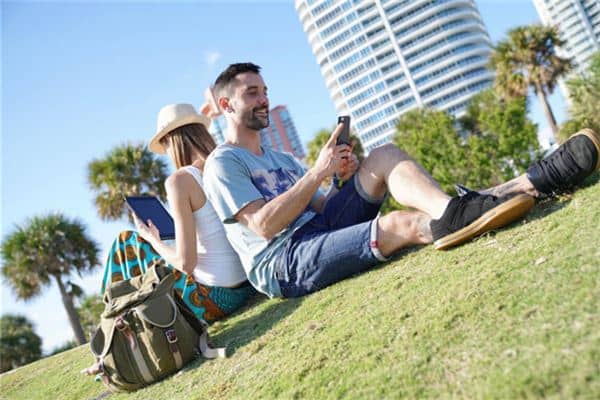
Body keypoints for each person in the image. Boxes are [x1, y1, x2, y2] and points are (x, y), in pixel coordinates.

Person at [202, 62, 599, 299]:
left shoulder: (278, 157)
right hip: (284, 261)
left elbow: (321, 208)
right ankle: (535, 181)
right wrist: (317, 171)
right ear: (226, 105)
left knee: (384, 155)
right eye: (252, 93)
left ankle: (467, 205)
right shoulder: (223, 163)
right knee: (400, 224)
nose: (263, 99)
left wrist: (342, 178)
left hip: (319, 228)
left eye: (265, 91)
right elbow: (266, 226)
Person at [101, 103, 256, 322]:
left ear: (170, 142)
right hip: (250, 284)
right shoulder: (228, 161)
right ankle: (125, 316)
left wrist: (151, 239)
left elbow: (186, 264)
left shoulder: (180, 181)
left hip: (214, 299)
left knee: (126, 241)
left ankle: (116, 318)